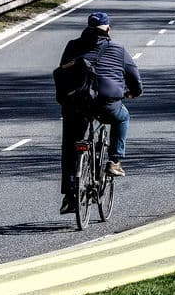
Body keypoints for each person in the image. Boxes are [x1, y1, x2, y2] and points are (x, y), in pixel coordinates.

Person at [58, 12, 143, 214]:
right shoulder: (118, 48)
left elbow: (62, 72)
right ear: (107, 29)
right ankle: (114, 161)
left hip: (76, 104)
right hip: (106, 104)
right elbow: (134, 77)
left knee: (70, 145)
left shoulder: (72, 45)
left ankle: (70, 193)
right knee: (123, 117)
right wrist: (134, 93)